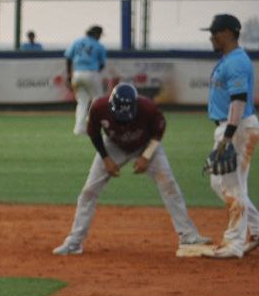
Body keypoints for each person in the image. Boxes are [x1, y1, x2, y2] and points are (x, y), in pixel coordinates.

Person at [51, 82, 211, 256]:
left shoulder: (148, 108)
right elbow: (94, 134)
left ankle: (188, 236)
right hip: (113, 146)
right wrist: (106, 158)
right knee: (89, 190)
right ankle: (74, 242)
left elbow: (159, 131)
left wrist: (146, 156)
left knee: (169, 185)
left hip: (146, 144)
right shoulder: (99, 107)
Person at [199, 13, 259, 258]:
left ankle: (234, 244)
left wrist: (228, 135)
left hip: (237, 127)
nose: (211, 38)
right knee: (223, 183)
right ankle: (256, 230)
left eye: (214, 33)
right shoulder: (230, 59)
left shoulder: (235, 62)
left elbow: (238, 100)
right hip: (236, 126)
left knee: (231, 185)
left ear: (226, 33)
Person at [65, 25, 107, 135]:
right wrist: (95, 73)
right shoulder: (98, 45)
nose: (100, 37)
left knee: (82, 101)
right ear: (96, 34)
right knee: (98, 100)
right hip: (91, 72)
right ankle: (95, 126)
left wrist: (69, 75)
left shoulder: (77, 42)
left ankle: (79, 129)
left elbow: (68, 58)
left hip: (77, 73)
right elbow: (102, 64)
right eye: (99, 35)